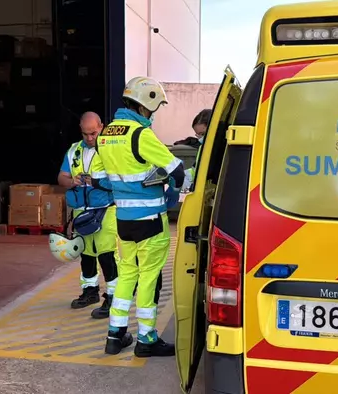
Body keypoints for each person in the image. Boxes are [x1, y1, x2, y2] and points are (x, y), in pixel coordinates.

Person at [89, 77, 185, 357]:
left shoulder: (106, 135)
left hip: (123, 221)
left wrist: (124, 185)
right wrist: (161, 182)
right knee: (149, 278)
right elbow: (176, 170)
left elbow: (98, 179)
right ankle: (147, 339)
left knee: (127, 273)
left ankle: (115, 335)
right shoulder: (140, 135)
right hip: (151, 221)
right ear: (147, 105)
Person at [57, 112, 119, 319]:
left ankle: (113, 297)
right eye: (86, 134)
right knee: (86, 254)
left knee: (107, 254)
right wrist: (71, 181)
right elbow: (61, 177)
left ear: (102, 126)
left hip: (105, 209)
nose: (90, 138)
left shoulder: (111, 149)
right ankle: (90, 291)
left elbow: (119, 179)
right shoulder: (74, 150)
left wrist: (95, 182)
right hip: (81, 210)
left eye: (93, 133)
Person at [184, 109, 212, 190]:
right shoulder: (202, 148)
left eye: (203, 134)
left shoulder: (220, 149)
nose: (200, 138)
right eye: (198, 135)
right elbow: (195, 169)